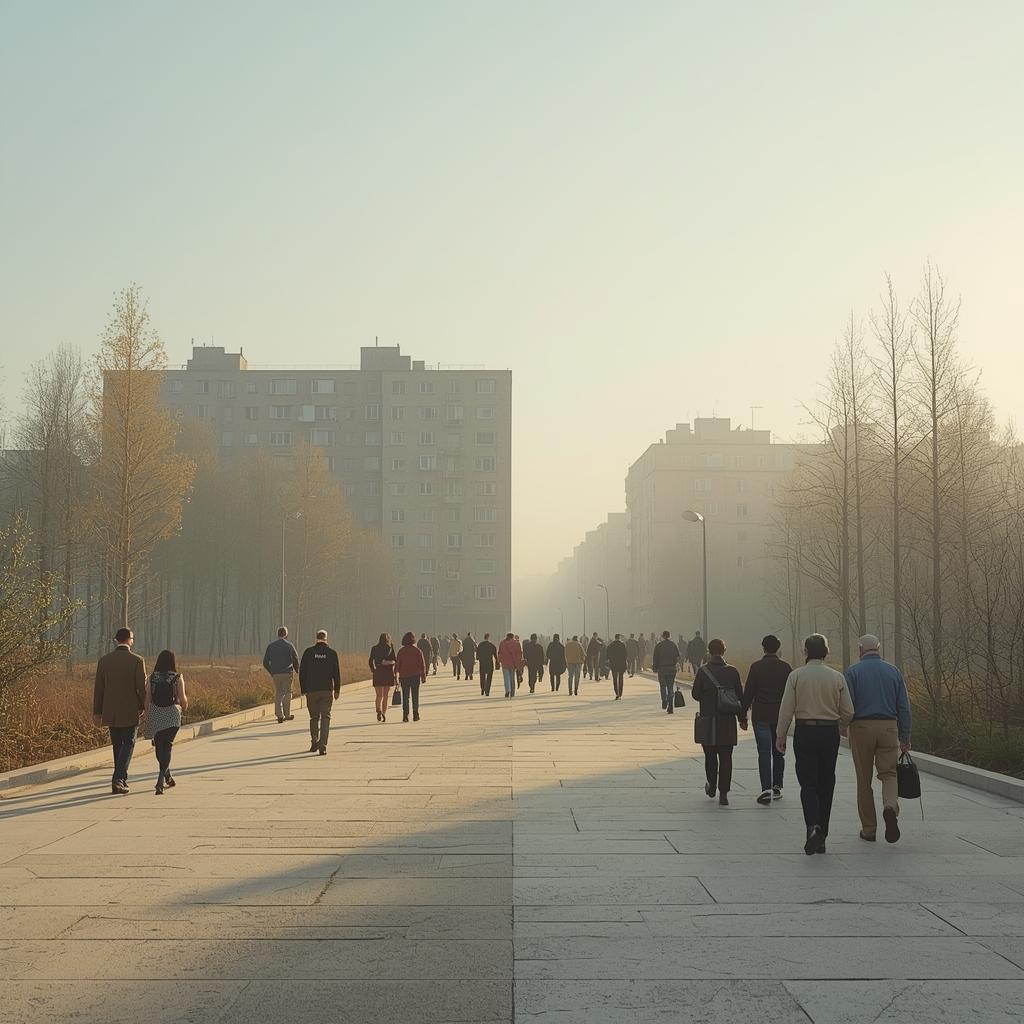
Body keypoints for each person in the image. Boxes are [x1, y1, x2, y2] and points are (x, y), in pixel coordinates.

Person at [776, 633, 854, 855]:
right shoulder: (837, 677)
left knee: (808, 783)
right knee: (826, 782)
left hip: (805, 731)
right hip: (829, 732)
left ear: (805, 652)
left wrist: (780, 735)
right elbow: (849, 711)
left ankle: (813, 826)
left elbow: (786, 710)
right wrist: (841, 725)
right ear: (826, 652)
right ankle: (823, 836)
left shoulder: (796, 676)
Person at [844, 634, 913, 845]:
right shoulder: (893, 671)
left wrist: (841, 725)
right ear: (879, 648)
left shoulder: (852, 672)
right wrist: (905, 735)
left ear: (860, 650)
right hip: (888, 726)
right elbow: (904, 706)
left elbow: (847, 705)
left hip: (861, 727)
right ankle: (890, 807)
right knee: (889, 773)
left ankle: (869, 829)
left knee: (864, 779)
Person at [691, 638, 746, 806]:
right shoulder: (733, 671)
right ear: (723, 651)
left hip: (708, 720)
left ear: (709, 651)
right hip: (727, 721)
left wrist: (708, 697)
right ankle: (724, 793)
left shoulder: (703, 671)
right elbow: (739, 697)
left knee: (710, 755)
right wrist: (742, 719)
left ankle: (712, 785)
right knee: (726, 757)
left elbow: (695, 694)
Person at [92, 627, 146, 795]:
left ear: (116, 640)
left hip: (110, 710)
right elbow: (141, 688)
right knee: (129, 743)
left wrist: (97, 711)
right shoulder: (137, 660)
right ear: (129, 639)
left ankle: (120, 779)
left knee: (117, 744)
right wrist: (145, 705)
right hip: (130, 709)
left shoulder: (104, 660)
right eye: (133, 638)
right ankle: (118, 778)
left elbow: (99, 689)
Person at [742, 635, 793, 805]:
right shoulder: (786, 668)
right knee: (779, 751)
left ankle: (766, 789)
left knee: (764, 753)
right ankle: (777, 786)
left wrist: (742, 716)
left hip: (761, 715)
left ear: (763, 648)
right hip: (780, 717)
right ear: (778, 648)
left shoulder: (756, 667)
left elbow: (748, 693)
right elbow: (791, 694)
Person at [143, 649, 188, 795]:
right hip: (171, 715)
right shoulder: (177, 677)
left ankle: (164, 776)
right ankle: (162, 778)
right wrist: (183, 707)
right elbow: (183, 699)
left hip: (156, 714)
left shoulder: (151, 677)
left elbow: (147, 700)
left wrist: (147, 716)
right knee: (167, 747)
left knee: (159, 748)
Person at [299, 629, 341, 755]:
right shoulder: (332, 653)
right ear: (326, 639)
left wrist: (303, 689)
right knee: (325, 718)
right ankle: (322, 745)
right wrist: (337, 689)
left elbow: (302, 672)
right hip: (326, 691)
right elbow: (336, 674)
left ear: (316, 638)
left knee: (314, 717)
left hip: (311, 691)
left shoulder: (308, 652)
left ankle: (314, 740)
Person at [263, 626, 299, 723]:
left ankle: (279, 715)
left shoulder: (271, 646)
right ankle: (286, 714)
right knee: (287, 692)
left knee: (279, 692)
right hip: (287, 673)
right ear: (286, 634)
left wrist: (272, 672)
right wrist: (297, 670)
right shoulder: (289, 645)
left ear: (278, 634)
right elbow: (295, 659)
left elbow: (265, 662)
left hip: (276, 674)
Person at [396, 631, 427, 722]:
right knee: (415, 695)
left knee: (405, 696)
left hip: (404, 676)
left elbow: (397, 665)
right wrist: (423, 676)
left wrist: (396, 677)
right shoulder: (417, 651)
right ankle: (415, 714)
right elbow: (422, 664)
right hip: (415, 676)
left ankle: (405, 715)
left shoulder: (401, 651)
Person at [368, 632, 397, 722]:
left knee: (378, 695)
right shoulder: (389, 648)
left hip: (378, 672)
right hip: (388, 673)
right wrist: (389, 663)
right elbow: (394, 661)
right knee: (386, 695)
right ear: (387, 639)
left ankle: (378, 711)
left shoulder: (374, 648)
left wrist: (374, 670)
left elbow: (370, 661)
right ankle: (384, 713)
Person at [652, 630, 681, 713]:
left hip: (662, 669)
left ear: (663, 636)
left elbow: (655, 658)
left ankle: (664, 700)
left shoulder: (659, 646)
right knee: (670, 687)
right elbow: (678, 657)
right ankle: (671, 706)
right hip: (672, 669)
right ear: (669, 636)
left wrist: (655, 668)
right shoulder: (673, 645)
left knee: (663, 686)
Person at [498, 632, 524, 698]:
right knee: (512, 678)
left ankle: (507, 690)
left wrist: (500, 660)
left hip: (505, 663)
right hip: (513, 663)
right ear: (513, 637)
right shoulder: (516, 644)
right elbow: (519, 655)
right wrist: (518, 664)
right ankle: (512, 692)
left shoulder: (502, 643)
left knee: (506, 678)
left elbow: (499, 653)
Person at [607, 634, 628, 699]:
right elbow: (625, 655)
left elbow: (608, 655)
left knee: (615, 679)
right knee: (621, 678)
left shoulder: (611, 645)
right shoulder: (622, 645)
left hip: (613, 664)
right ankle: (620, 693)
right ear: (619, 638)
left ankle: (617, 693)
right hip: (621, 664)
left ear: (615, 638)